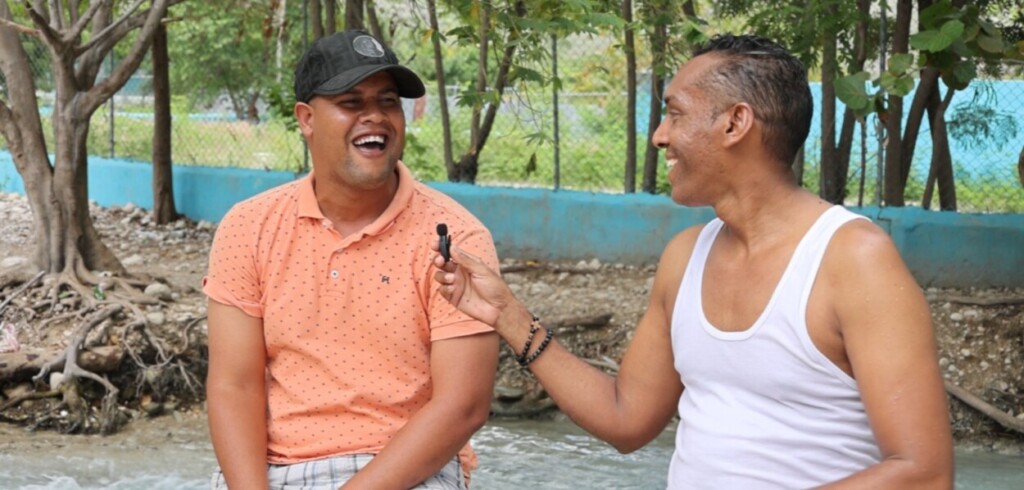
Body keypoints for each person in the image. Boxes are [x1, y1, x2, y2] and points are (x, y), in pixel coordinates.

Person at [433, 34, 953, 489]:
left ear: (735, 123)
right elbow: (625, 419)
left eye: (675, 113)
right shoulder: (686, 257)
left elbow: (923, 474)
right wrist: (509, 316)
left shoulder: (853, 259)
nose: (659, 135)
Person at [204, 30, 500, 490]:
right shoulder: (250, 227)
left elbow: (462, 405)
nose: (375, 118)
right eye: (351, 102)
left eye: (387, 102)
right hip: (276, 470)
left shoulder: (454, 238)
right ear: (306, 119)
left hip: (407, 472)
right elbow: (233, 385)